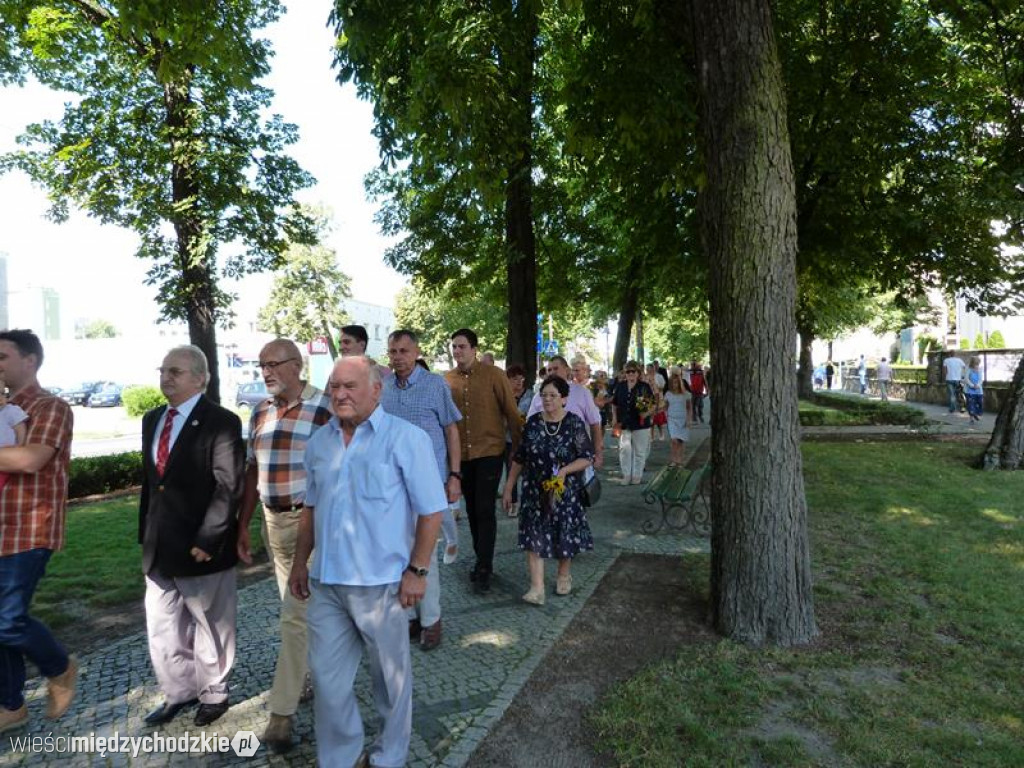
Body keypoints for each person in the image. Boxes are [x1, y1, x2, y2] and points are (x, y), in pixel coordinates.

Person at [288, 355, 445, 768]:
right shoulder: (320, 443)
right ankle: (341, 757)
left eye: (350, 386)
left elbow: (432, 510)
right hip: (327, 584)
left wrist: (418, 571)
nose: (339, 394)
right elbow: (311, 508)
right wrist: (301, 563)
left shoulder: (406, 439)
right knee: (327, 680)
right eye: (334, 386)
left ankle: (387, 758)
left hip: (384, 586)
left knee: (390, 684)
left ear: (376, 390)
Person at [139, 345, 243, 728]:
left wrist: (209, 537)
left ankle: (213, 692)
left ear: (201, 378)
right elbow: (153, 485)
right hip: (158, 544)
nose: (166, 377)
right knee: (162, 624)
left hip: (201, 544)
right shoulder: (152, 419)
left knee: (211, 623)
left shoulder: (221, 421)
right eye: (163, 370)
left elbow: (228, 485)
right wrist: (144, 534)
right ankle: (178, 692)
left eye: (176, 371)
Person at [237, 339, 332, 752]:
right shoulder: (259, 411)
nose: (266, 371)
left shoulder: (324, 408)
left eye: (274, 364)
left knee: (294, 616)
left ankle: (281, 714)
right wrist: (243, 524)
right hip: (270, 522)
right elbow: (251, 470)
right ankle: (308, 675)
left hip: (309, 522)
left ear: (297, 365)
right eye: (261, 365)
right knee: (297, 611)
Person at [0, 330, 77, 732]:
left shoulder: (52, 407)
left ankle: (59, 667)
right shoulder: (1, 408)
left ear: (29, 360)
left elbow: (30, 458)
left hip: (27, 529)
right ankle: (10, 705)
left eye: (2, 355)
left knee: (7, 620)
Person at [381, 330, 462, 651]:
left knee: (424, 553)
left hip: (429, 483)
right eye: (392, 351)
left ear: (416, 352)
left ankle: (431, 619)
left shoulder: (435, 385)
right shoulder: (383, 388)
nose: (397, 357)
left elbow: (451, 429)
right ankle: (409, 616)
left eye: (403, 351)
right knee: (396, 552)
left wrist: (454, 475)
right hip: (390, 485)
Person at [502, 376, 594, 604]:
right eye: (544, 395)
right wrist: (509, 486)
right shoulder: (533, 423)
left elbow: (587, 457)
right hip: (534, 490)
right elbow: (520, 457)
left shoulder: (573, 423)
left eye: (553, 395)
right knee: (533, 535)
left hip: (564, 491)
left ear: (564, 399)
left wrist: (564, 470)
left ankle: (563, 575)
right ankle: (537, 588)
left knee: (563, 533)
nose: (547, 400)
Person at [444, 329, 522, 593]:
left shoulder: (494, 375)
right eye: (454, 346)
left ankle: (485, 565)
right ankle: (481, 557)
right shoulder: (447, 380)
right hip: (462, 457)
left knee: (485, 508)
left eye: (462, 346)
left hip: (490, 451)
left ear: (474, 349)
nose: (457, 351)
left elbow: (512, 413)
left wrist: (518, 451)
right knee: (472, 511)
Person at [526, 356, 603, 471]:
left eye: (555, 368)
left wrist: (598, 453)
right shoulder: (539, 396)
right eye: (549, 370)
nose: (552, 372)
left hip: (577, 456)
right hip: (545, 456)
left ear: (567, 370)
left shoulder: (582, 393)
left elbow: (595, 423)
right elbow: (530, 425)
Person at [611, 361, 656, 485]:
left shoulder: (644, 387)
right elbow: (614, 404)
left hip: (641, 424)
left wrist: (646, 414)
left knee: (640, 451)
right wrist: (614, 418)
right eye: (628, 371)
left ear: (638, 373)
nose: (630, 374)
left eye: (633, 371)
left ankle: (637, 476)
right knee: (624, 450)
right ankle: (626, 475)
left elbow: (652, 405)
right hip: (624, 423)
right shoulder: (620, 386)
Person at [503, 365, 533, 518]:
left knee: (529, 472)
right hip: (508, 439)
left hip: (526, 440)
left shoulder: (531, 395)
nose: (519, 382)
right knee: (511, 471)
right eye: (515, 379)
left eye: (521, 378)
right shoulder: (503, 395)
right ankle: (513, 503)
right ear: (507, 380)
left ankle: (530, 501)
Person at [0, 380, 28, 493]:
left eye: (2, 393)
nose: (0, 398)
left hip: (7, 452)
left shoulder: (10, 410)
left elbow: (20, 428)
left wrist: (20, 445)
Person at [663, 371, 693, 467]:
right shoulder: (668, 394)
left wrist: (689, 420)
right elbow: (665, 407)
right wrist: (664, 415)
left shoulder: (686, 394)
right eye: (672, 383)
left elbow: (689, 408)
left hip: (683, 419)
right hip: (672, 419)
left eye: (676, 382)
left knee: (680, 441)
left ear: (680, 383)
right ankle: (673, 459)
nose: (674, 385)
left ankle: (679, 460)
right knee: (674, 440)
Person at [965, 356, 984, 422]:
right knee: (971, 404)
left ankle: (975, 414)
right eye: (976, 363)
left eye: (978, 363)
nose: (977, 365)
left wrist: (978, 385)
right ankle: (972, 417)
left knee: (979, 403)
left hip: (979, 390)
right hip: (970, 391)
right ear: (972, 363)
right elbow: (966, 379)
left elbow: (981, 379)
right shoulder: (968, 369)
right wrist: (972, 385)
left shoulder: (980, 369)